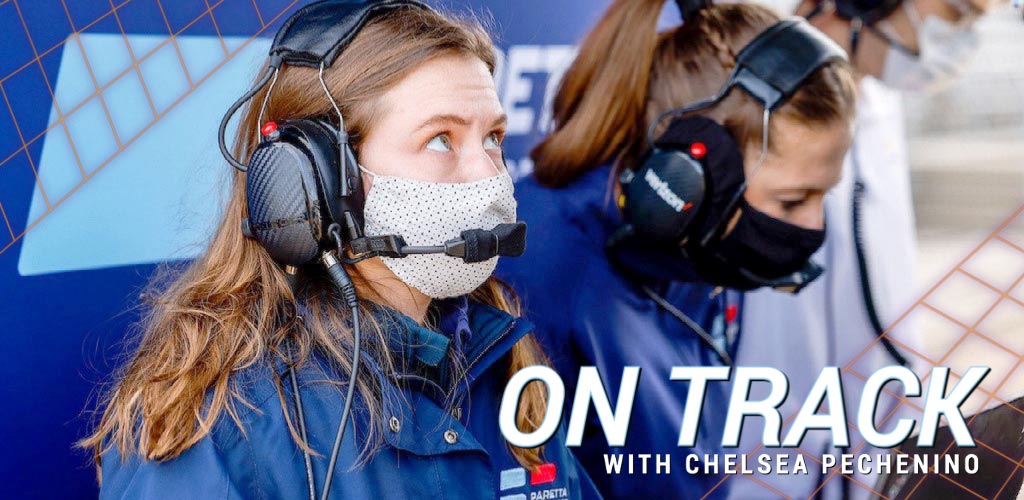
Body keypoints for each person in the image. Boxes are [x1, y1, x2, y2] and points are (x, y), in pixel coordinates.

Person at [78, 2, 598, 499]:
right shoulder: (226, 421)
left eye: (493, 138)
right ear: (318, 181)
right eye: (441, 139)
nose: (491, 174)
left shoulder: (504, 360)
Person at [496, 0, 857, 498]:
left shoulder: (696, 249)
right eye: (793, 200)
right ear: (692, 175)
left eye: (824, 195)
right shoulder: (537, 272)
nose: (814, 227)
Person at [733, 0, 992, 498]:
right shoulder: (752, 109)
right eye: (959, 13)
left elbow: (887, 309)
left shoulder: (876, 105)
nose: (965, 40)